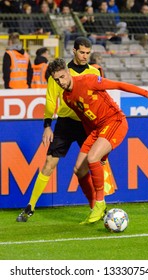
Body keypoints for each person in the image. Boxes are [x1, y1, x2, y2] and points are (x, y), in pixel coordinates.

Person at [47, 57, 148, 224]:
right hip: (96, 131)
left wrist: (146, 93)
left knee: (93, 158)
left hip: (114, 121)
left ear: (68, 72)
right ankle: (95, 208)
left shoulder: (89, 80)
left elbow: (118, 85)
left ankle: (101, 203)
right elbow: (85, 119)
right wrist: (93, 142)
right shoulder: (66, 98)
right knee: (79, 169)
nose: (61, 82)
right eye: (56, 80)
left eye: (62, 77)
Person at [16, 36, 115, 223]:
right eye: (82, 52)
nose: (85, 56)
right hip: (65, 123)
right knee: (49, 164)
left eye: (88, 53)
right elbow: (51, 99)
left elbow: (102, 97)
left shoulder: (95, 71)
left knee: (91, 166)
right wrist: (47, 125)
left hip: (87, 124)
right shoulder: (61, 72)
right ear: (74, 51)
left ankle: (97, 206)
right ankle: (30, 207)